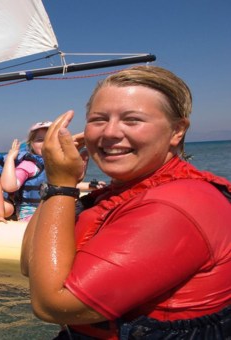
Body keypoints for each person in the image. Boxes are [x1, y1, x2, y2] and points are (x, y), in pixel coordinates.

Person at [21, 66, 231, 339]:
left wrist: (62, 184)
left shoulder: (176, 206)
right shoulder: (120, 193)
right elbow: (29, 264)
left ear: (177, 130)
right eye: (98, 119)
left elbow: (53, 306)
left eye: (132, 120)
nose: (110, 132)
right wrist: (59, 184)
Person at [1, 121, 51, 221]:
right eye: (40, 140)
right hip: (30, 211)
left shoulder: (58, 164)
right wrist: (10, 158)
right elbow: (9, 186)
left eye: (51, 139)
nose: (46, 143)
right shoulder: (30, 165)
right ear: (31, 144)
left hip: (51, 208)